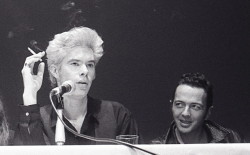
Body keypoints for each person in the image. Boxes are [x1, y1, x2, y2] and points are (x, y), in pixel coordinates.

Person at [14, 27, 139, 145]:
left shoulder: (117, 115)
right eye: (75, 63)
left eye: (90, 65)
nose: (85, 71)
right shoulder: (38, 120)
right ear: (55, 71)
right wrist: (30, 94)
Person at [152, 72, 243, 144]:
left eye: (195, 106)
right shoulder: (157, 148)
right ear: (172, 106)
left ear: (208, 112)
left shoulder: (230, 140)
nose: (185, 113)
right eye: (179, 104)